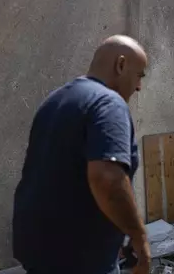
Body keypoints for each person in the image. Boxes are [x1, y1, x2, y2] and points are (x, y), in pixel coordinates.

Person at [12, 35, 151, 274]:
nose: (139, 87)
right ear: (120, 65)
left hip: (40, 252)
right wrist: (138, 236)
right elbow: (107, 179)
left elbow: (64, 177)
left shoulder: (55, 100)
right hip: (81, 261)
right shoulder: (108, 104)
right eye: (139, 75)